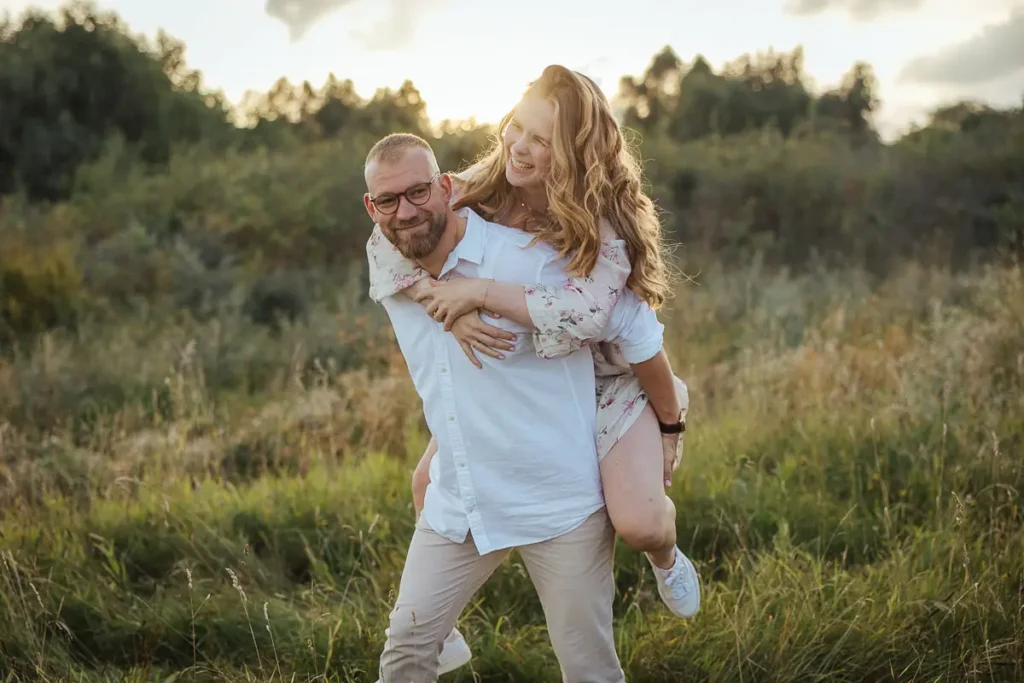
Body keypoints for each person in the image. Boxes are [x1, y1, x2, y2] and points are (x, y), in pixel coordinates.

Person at [365, 65, 700, 673]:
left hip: (609, 378)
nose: (520, 146)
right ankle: (443, 636)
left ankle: (667, 560)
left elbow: (606, 326)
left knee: (642, 522)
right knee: (428, 484)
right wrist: (446, 307)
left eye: (541, 139)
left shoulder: (601, 230)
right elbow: (393, 231)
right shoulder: (478, 187)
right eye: (517, 127)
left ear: (574, 152)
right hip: (522, 380)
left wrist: (671, 425)